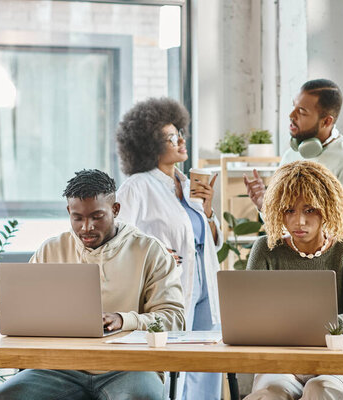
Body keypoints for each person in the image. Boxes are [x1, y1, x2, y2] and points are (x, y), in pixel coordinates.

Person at [0, 169, 185, 400]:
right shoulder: (51, 250)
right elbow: (25, 314)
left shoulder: (150, 251)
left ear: (115, 209)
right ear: (69, 212)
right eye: (77, 218)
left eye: (97, 216)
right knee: (2, 397)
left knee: (143, 396)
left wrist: (124, 320)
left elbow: (174, 319)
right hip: (60, 368)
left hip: (131, 367)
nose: (86, 227)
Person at [116, 97, 223, 400]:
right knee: (175, 362)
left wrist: (209, 209)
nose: (180, 140)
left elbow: (211, 239)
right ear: (149, 145)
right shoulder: (138, 186)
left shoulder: (187, 183)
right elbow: (119, 234)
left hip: (205, 282)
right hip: (172, 285)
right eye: (170, 137)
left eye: (180, 133)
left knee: (207, 360)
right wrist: (156, 250)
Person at [244, 161, 343, 400]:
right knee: (270, 394)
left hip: (341, 364)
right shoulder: (265, 248)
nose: (299, 221)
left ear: (327, 208)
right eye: (289, 210)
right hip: (282, 364)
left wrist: (326, 324)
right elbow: (248, 316)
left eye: (309, 210)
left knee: (321, 389)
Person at [244, 79, 343, 245]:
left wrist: (312, 230)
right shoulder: (291, 156)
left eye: (302, 111)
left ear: (326, 121)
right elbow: (284, 224)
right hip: (291, 265)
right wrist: (264, 205)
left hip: (329, 268)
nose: (291, 115)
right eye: (294, 106)